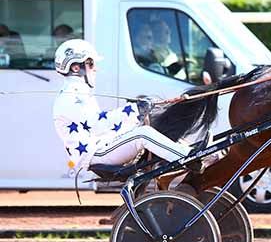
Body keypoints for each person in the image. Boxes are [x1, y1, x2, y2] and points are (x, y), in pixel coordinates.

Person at [52, 39, 210, 174]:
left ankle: (193, 152)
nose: (95, 68)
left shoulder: (78, 92)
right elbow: (98, 125)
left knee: (148, 126)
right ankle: (189, 157)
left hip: (99, 148)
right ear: (75, 67)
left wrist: (136, 111)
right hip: (95, 154)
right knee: (143, 135)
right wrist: (134, 110)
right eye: (91, 63)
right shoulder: (71, 96)